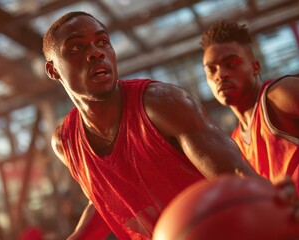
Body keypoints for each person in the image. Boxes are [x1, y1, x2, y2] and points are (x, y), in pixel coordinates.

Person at [42, 11, 264, 239]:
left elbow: (236, 176)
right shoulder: (65, 142)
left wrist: (280, 202)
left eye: (102, 42)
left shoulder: (162, 103)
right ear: (53, 70)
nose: (96, 53)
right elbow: (106, 198)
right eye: (76, 48)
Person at [201, 20, 299, 193]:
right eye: (211, 70)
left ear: (255, 67)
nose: (220, 75)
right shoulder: (234, 143)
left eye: (231, 64)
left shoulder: (280, 94)